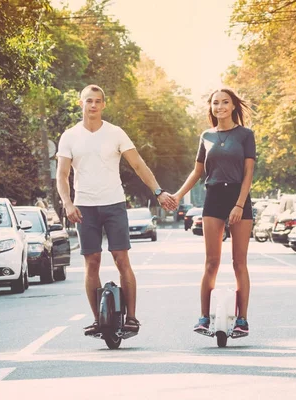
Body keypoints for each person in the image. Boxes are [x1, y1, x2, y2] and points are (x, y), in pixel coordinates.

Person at [56, 84, 177, 335]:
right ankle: (98, 321)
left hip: (114, 204)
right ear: (81, 104)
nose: (93, 105)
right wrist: (67, 203)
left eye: (98, 101)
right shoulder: (69, 136)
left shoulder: (116, 133)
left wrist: (158, 191)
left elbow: (138, 164)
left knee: (122, 259)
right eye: (89, 101)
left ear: (103, 105)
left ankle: (131, 318)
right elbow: (62, 174)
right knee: (92, 262)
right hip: (84, 207)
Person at [173, 88, 255, 337]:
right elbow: (197, 172)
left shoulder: (245, 135)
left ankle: (242, 320)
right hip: (214, 197)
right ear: (211, 108)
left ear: (233, 106)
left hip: (238, 197)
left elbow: (249, 173)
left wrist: (239, 205)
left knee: (239, 262)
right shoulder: (206, 136)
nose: (220, 107)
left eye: (225, 102)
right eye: (215, 103)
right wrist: (177, 195)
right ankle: (204, 317)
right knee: (211, 262)